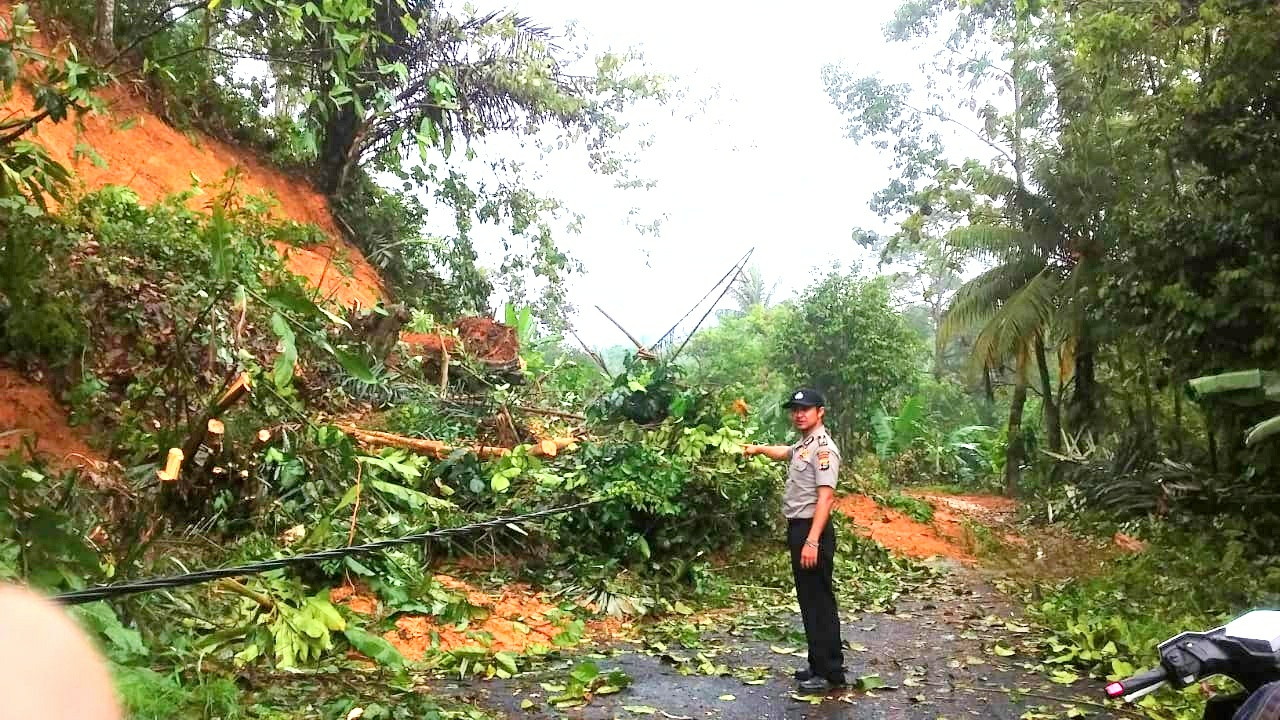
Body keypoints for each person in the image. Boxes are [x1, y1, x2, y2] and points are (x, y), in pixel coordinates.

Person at [744, 387, 845, 692]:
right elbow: (784, 452)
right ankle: (818, 664)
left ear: (820, 412)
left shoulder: (824, 449)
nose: (799, 414)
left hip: (812, 529)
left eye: (806, 409)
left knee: (819, 602)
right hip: (799, 529)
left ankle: (830, 674)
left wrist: (812, 541)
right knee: (808, 600)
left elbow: (826, 499)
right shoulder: (804, 445)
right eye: (795, 410)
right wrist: (757, 449)